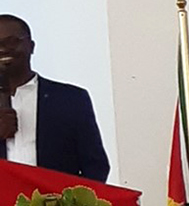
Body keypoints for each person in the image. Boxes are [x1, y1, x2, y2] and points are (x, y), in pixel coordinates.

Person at [0, 14, 110, 182]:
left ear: (31, 46)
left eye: (12, 41)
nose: (4, 49)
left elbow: (95, 166)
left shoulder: (71, 99)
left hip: (55, 205)